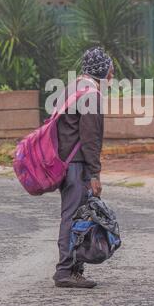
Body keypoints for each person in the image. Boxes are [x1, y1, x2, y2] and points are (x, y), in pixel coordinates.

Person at [52, 46, 114, 288]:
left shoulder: (70, 89)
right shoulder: (90, 94)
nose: (112, 75)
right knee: (72, 216)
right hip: (76, 167)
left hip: (64, 163)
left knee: (76, 215)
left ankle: (74, 269)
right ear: (100, 69)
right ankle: (65, 271)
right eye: (110, 69)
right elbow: (90, 137)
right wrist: (94, 174)